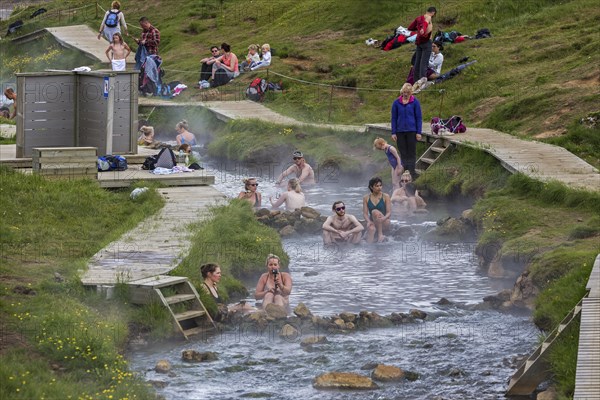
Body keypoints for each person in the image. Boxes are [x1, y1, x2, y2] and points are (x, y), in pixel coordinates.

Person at [391, 83, 422, 180]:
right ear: (402, 92)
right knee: (403, 152)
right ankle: (405, 173)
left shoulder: (415, 102)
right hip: (400, 131)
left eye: (408, 92)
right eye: (404, 92)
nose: (405, 94)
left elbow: (419, 118)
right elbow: (394, 118)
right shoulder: (396, 103)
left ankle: (412, 173)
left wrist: (418, 132)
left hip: (412, 131)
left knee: (411, 152)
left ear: (411, 92)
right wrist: (393, 132)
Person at [408, 6, 437, 83]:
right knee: (424, 63)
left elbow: (410, 27)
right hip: (426, 42)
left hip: (419, 42)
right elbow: (425, 23)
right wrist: (423, 29)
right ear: (433, 12)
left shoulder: (418, 18)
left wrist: (418, 29)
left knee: (417, 62)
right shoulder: (429, 17)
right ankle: (422, 82)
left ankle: (415, 81)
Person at [362, 177, 392, 243]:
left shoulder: (386, 196)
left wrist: (383, 219)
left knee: (375, 211)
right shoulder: (366, 198)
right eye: (377, 186)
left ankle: (380, 234)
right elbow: (365, 213)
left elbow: (389, 212)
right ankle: (369, 248)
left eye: (380, 185)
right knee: (371, 229)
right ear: (371, 187)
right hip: (373, 221)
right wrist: (369, 221)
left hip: (384, 221)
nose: (379, 188)